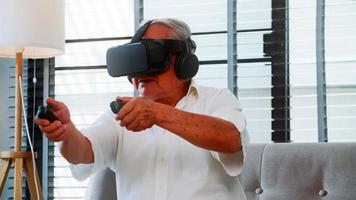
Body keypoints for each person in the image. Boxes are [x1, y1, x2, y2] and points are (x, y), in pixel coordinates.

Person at [35, 18, 249, 200]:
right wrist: (66, 131)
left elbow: (231, 140)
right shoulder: (121, 112)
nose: (141, 71)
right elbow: (82, 153)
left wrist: (158, 113)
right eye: (136, 60)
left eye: (153, 56)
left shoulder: (217, 100)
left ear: (185, 62)